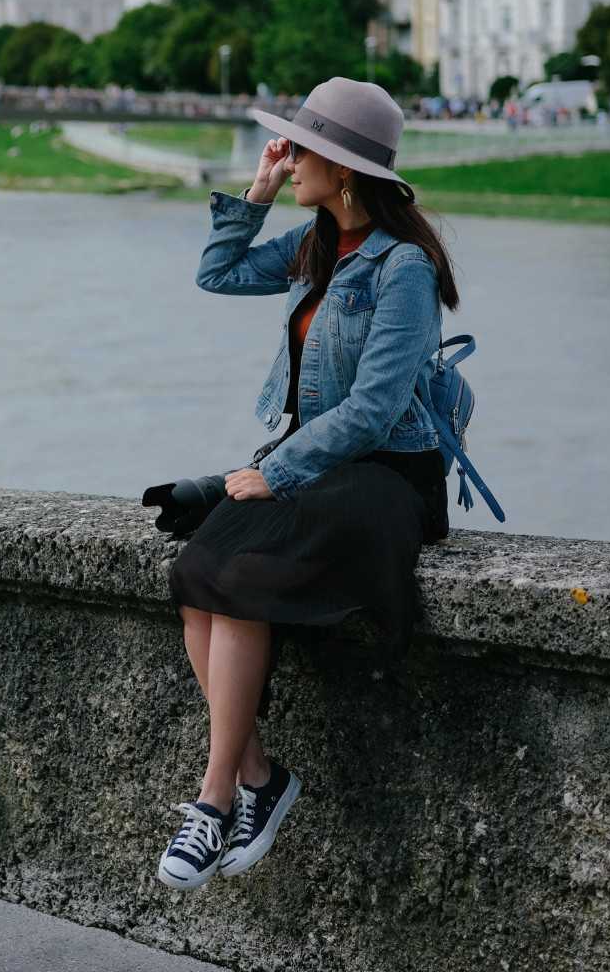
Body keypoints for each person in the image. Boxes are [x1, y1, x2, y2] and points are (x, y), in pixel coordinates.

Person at [154, 76, 459, 892]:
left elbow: (376, 408)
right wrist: (251, 194)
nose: (287, 162)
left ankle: (213, 799)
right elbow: (216, 276)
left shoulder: (406, 270)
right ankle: (259, 778)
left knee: (243, 580)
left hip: (386, 476)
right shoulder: (314, 244)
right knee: (194, 575)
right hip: (313, 465)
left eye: (299, 151)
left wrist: (273, 470)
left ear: (346, 169)